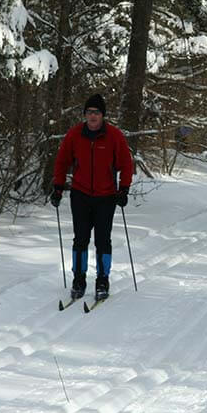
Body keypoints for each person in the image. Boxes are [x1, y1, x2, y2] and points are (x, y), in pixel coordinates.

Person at [50, 94, 133, 301]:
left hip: (106, 196)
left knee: (103, 240)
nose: (93, 116)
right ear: (85, 115)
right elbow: (62, 161)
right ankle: (79, 279)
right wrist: (58, 187)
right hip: (80, 194)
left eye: (96, 112)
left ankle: (102, 280)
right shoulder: (75, 135)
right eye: (89, 112)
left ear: (103, 115)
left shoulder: (114, 136)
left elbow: (126, 164)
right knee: (80, 239)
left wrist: (123, 189)